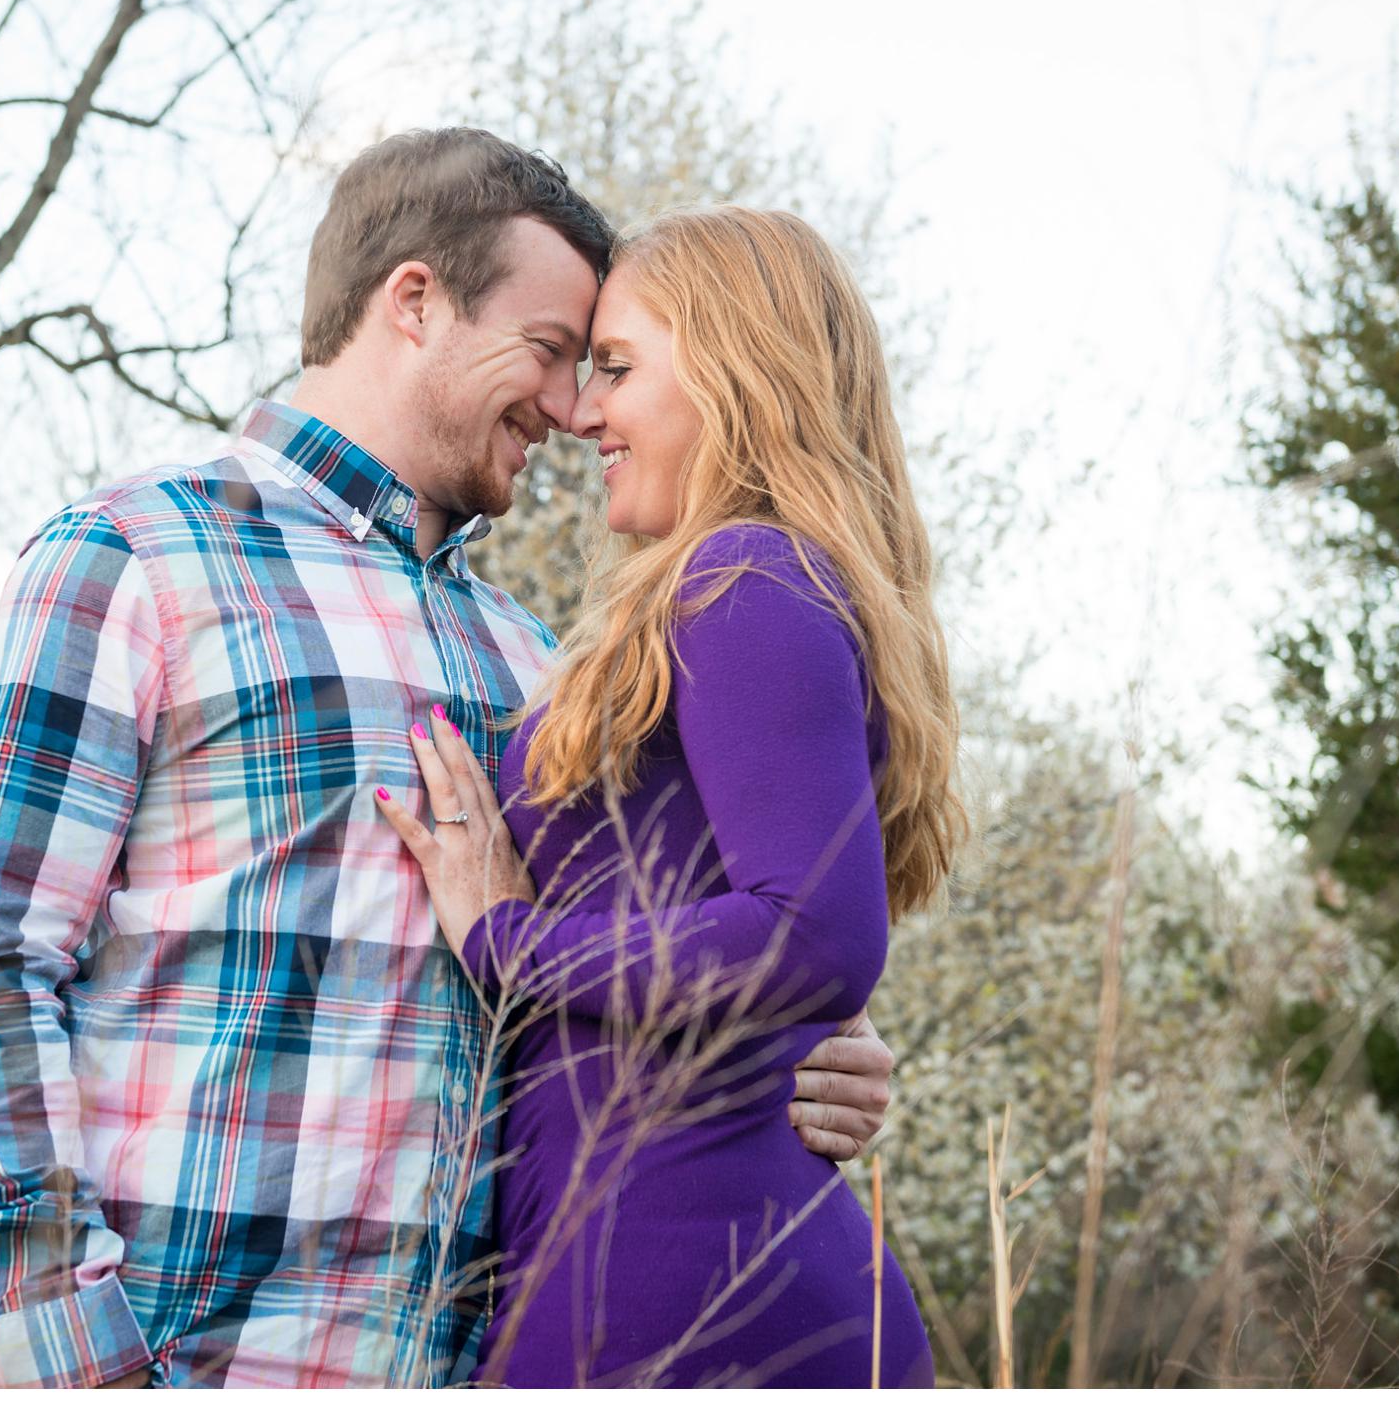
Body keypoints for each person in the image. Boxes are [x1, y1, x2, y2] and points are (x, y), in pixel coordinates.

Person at [0, 131, 900, 1389]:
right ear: (414, 301)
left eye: (600, 368)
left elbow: (632, 968)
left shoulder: (539, 669)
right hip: (168, 1357)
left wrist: (797, 1053)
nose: (576, 411)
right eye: (551, 352)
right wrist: (70, 1355)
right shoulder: (139, 557)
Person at [376, 205, 964, 1386]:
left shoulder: (742, 577)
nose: (582, 411)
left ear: (742, 374)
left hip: (681, 1277)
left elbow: (814, 933)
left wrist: (508, 939)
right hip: (646, 1260)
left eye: (619, 368)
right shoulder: (738, 592)